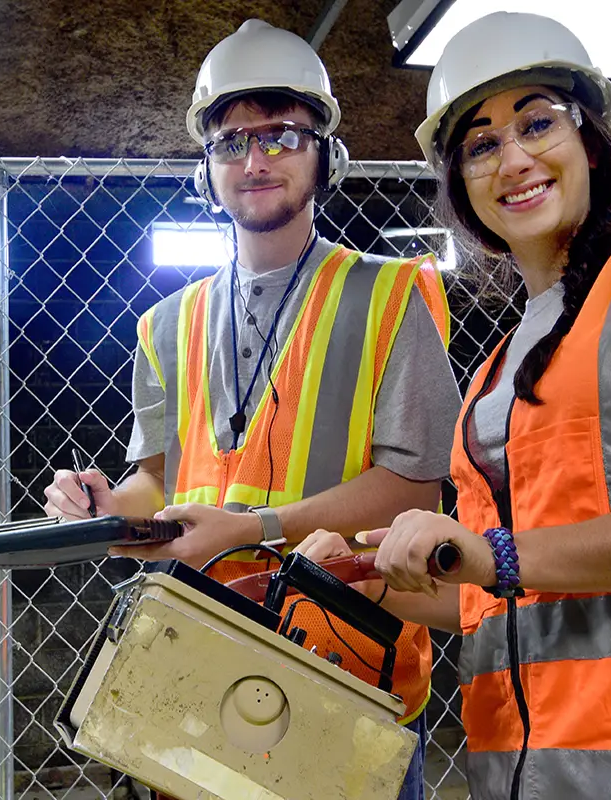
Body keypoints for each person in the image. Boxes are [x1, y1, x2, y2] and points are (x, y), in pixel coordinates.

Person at [297, 11, 611, 799]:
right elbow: (490, 597)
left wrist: (496, 553)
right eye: (483, 145)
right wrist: (370, 578)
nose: (515, 158)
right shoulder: (495, 372)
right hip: (521, 776)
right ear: (462, 183)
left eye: (537, 123)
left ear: (590, 140)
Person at [43, 18, 461, 799]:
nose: (255, 159)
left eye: (280, 136)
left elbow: (412, 492)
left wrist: (254, 528)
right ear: (206, 171)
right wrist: (107, 506)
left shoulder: (390, 295)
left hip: (345, 668)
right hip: (200, 665)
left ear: (325, 157)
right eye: (231, 142)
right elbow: (155, 484)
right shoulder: (165, 323)